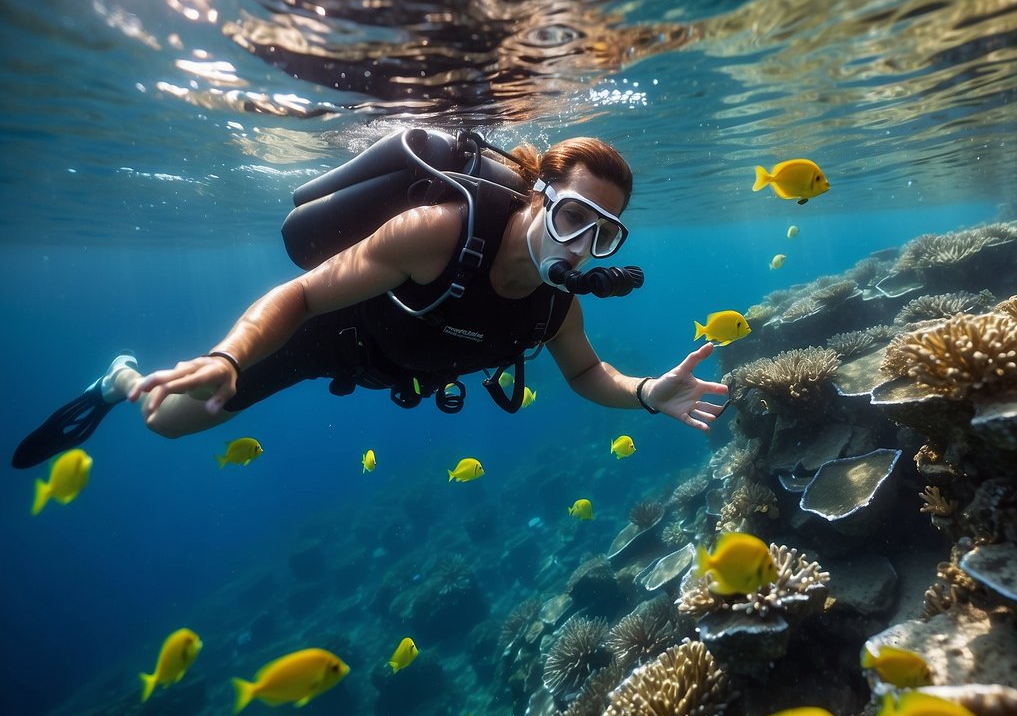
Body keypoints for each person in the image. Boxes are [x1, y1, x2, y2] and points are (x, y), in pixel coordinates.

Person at [12, 134, 728, 468]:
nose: (578, 247)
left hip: (396, 366)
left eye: (601, 235)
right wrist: (230, 359)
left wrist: (646, 392)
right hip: (324, 337)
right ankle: (121, 381)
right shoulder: (435, 233)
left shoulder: (555, 306)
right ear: (539, 197)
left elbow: (582, 373)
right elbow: (300, 293)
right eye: (572, 216)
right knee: (166, 424)